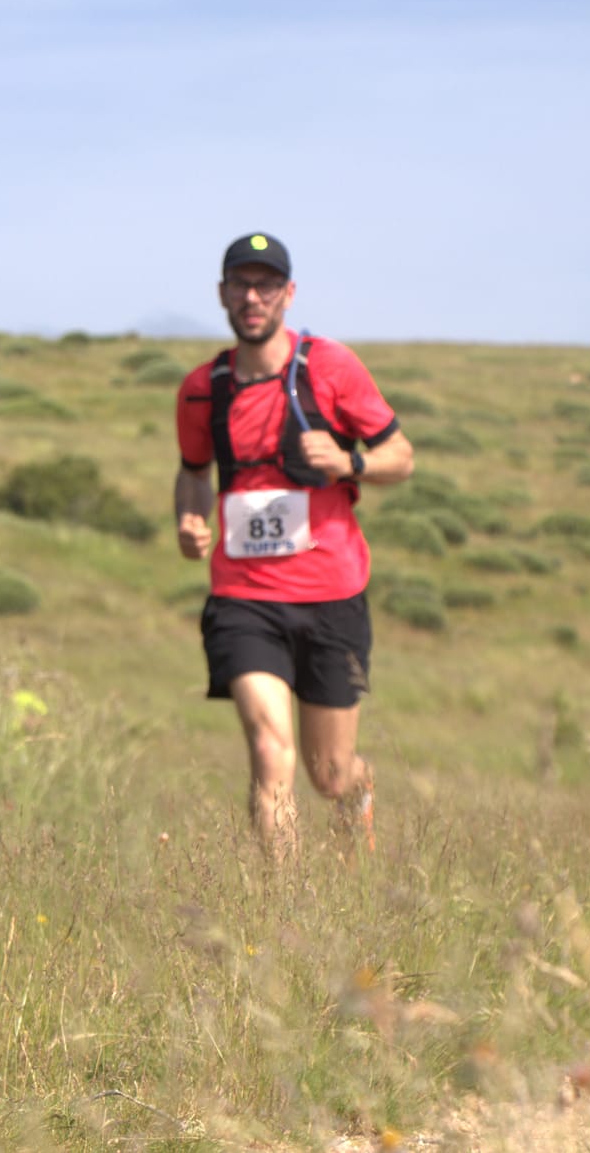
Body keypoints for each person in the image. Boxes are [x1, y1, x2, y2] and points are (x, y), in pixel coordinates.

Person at [174, 232, 414, 860]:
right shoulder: (202, 389)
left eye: (266, 285)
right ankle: (286, 906)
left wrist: (349, 462)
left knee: (330, 774)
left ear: (289, 294)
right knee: (268, 750)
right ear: (222, 294)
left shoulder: (331, 367)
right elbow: (193, 472)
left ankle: (358, 802)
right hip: (243, 598)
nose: (252, 298)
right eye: (240, 284)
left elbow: (401, 457)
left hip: (331, 594)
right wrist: (189, 521)